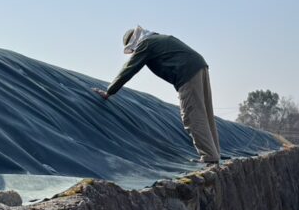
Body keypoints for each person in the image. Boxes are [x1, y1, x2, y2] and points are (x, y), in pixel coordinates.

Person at [93, 26, 221, 165]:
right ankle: (214, 153)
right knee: (205, 111)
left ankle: (209, 155)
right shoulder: (157, 39)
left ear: (135, 41)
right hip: (199, 65)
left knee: (191, 114)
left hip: (186, 72)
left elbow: (129, 69)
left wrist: (109, 91)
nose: (135, 52)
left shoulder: (146, 43)